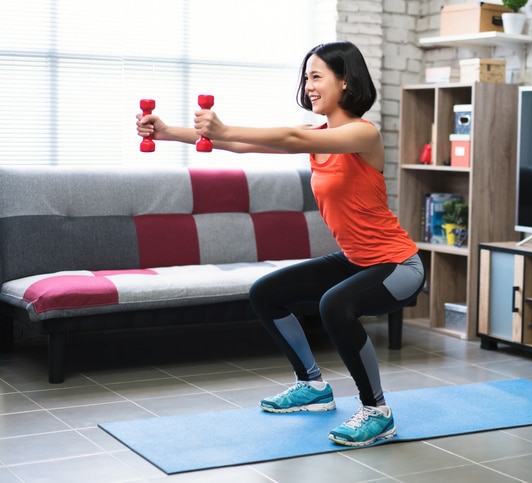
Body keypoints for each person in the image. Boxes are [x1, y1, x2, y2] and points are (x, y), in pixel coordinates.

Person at [136, 41, 425, 447]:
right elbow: (238, 144)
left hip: (399, 265)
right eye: (306, 77)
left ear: (345, 82)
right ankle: (312, 387)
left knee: (335, 305)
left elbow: (287, 138)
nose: (308, 85)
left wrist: (225, 127)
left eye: (317, 76)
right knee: (267, 293)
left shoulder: (363, 133)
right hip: (357, 261)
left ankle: (377, 412)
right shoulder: (317, 135)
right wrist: (168, 133)